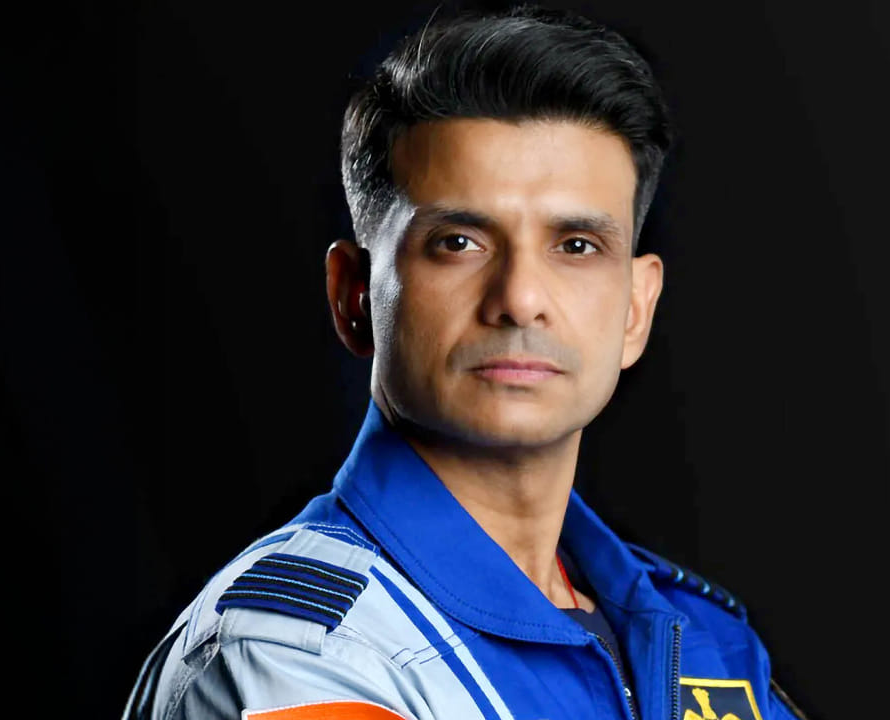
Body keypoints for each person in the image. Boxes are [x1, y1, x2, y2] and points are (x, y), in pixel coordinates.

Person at [124, 5, 809, 719]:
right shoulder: (295, 658)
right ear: (354, 294)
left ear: (636, 308)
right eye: (458, 243)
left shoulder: (706, 641)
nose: (520, 299)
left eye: (576, 246)